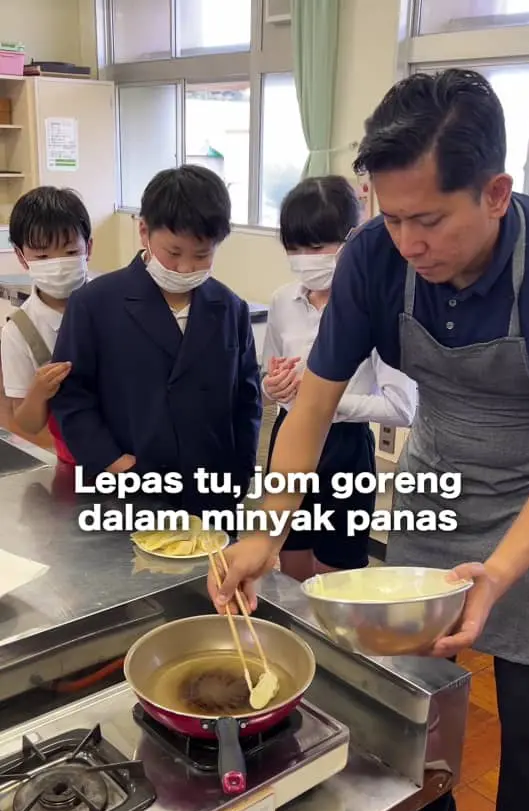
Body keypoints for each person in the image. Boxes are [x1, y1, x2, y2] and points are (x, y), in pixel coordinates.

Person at [208, 69, 529, 811]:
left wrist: (502, 573)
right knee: (406, 688)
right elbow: (309, 408)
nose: (407, 242)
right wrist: (261, 530)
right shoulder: (372, 258)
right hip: (440, 476)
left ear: (496, 193)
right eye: (389, 218)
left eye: (428, 219)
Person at [51, 165, 262, 515]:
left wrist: (238, 476)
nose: (184, 268)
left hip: (210, 492)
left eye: (202, 255)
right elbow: (72, 398)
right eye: (174, 252)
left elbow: (247, 398)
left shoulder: (230, 308)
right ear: (144, 231)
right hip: (127, 490)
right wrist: (114, 463)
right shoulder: (95, 304)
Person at [262, 175, 417, 580]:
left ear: (353, 239)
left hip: (345, 449)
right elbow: (271, 371)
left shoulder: (377, 307)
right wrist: (274, 387)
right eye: (294, 248)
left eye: (316, 247)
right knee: (290, 557)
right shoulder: (283, 300)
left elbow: (403, 408)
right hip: (288, 437)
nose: (304, 259)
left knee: (338, 573)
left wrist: (324, 399)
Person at [1, 186, 93, 463]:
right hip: (75, 458)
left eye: (69, 251)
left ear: (88, 247)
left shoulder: (114, 304)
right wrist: (38, 393)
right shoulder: (19, 331)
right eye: (42, 257)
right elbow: (28, 424)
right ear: (21, 256)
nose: (58, 264)